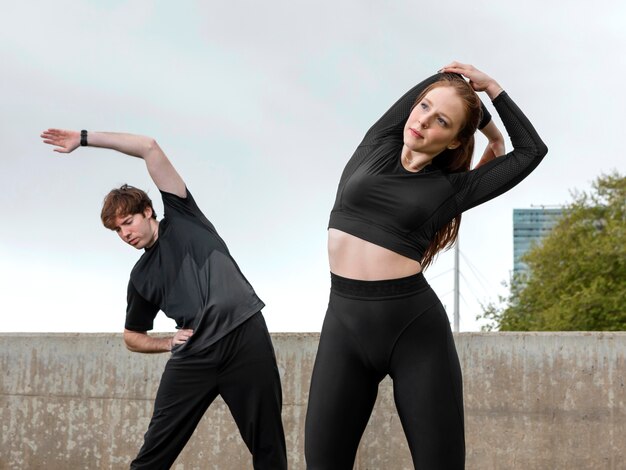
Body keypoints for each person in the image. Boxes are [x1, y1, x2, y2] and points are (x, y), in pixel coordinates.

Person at [304, 62, 548, 469]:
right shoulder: (377, 143)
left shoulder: (454, 189)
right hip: (344, 327)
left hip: (414, 334)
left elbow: (532, 151)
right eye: (423, 108)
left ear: (454, 141)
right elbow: (443, 79)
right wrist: (486, 129)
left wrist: (493, 89)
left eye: (441, 121)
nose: (422, 121)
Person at [41, 129, 288, 469]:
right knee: (153, 455)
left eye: (128, 222)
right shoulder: (141, 277)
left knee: (268, 448)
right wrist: (168, 342)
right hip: (194, 356)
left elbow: (148, 147)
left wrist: (84, 138)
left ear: (148, 211)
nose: (125, 233)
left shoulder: (184, 216)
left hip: (244, 338)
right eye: (117, 230)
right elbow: (131, 337)